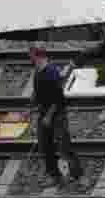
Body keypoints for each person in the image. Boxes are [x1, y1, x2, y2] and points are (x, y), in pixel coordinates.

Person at [30, 44, 83, 187]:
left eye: (31, 55)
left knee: (63, 146)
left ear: (37, 55)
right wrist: (33, 103)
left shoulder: (51, 71)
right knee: (45, 146)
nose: (30, 58)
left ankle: (75, 174)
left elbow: (58, 97)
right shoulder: (38, 71)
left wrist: (48, 116)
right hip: (44, 114)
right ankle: (55, 176)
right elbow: (39, 92)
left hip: (56, 114)